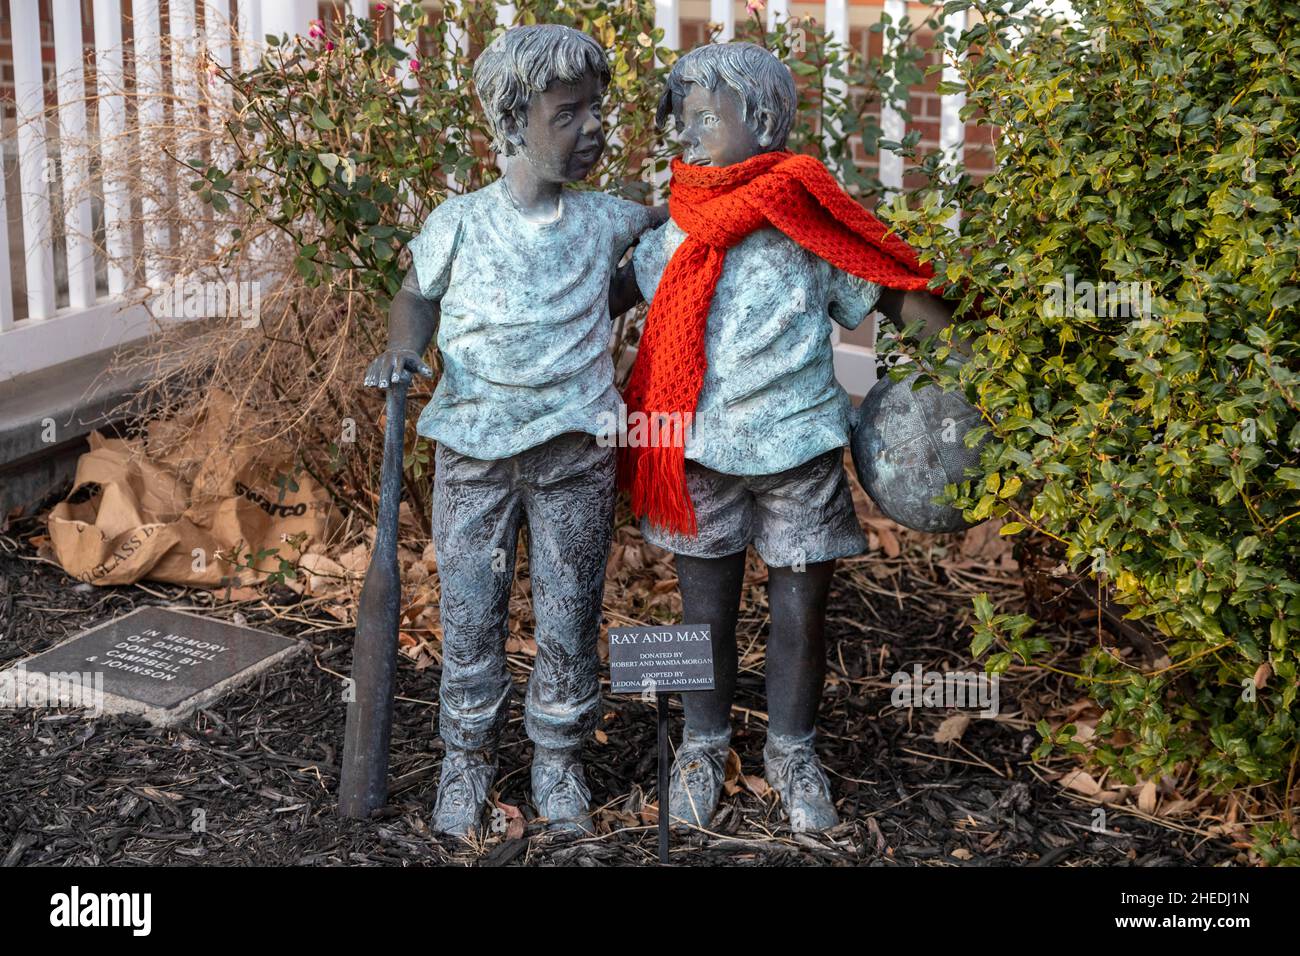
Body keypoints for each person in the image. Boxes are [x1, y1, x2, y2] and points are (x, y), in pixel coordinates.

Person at [626, 41, 957, 831]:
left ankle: (792, 749)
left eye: (709, 115)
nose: (690, 130)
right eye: (684, 116)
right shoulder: (666, 236)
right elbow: (581, 305)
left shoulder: (808, 229)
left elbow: (886, 289)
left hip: (799, 454)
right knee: (702, 614)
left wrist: (973, 353)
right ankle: (704, 744)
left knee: (800, 614)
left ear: (764, 118)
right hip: (700, 455)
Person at [365, 24, 665, 837]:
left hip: (574, 457)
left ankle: (559, 759)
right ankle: (466, 759)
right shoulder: (460, 220)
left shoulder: (606, 219)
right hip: (474, 456)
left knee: (570, 610)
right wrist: (403, 349)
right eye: (569, 114)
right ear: (510, 126)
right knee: (469, 613)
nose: (594, 128)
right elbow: (416, 293)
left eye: (597, 110)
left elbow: (676, 231)